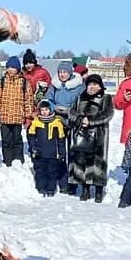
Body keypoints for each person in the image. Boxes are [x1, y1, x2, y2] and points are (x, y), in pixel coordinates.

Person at [67, 73, 114, 202]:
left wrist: (92, 121)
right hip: (82, 135)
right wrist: (80, 119)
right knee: (82, 161)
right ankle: (85, 189)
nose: (92, 87)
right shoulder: (80, 97)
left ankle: (99, 190)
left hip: (99, 136)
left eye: (95, 84)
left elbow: (108, 114)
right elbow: (71, 112)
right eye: (89, 84)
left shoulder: (105, 98)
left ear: (100, 86)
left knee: (98, 163)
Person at [45, 62, 84, 193]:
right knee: (60, 152)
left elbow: (83, 103)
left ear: (70, 73)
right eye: (60, 72)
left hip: (73, 122)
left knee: (74, 152)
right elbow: (47, 100)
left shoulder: (78, 86)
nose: (62, 75)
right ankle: (62, 181)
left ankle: (73, 183)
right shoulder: (54, 85)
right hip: (58, 121)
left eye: (65, 72)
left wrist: (71, 111)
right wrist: (53, 108)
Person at [0, 56, 31, 166]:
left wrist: (27, 115)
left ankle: (18, 160)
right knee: (6, 141)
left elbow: (28, 100)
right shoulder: (2, 82)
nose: (10, 70)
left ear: (18, 69)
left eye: (13, 67)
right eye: (9, 67)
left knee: (17, 140)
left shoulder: (24, 83)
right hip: (4, 117)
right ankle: (7, 161)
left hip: (17, 117)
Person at [27, 100, 66, 196]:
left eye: (46, 110)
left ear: (50, 110)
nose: (44, 112)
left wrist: (62, 153)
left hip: (53, 153)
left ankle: (50, 189)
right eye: (42, 110)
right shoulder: (35, 122)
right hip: (40, 153)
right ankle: (41, 188)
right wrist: (33, 148)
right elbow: (31, 137)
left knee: (51, 172)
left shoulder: (57, 123)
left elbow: (61, 139)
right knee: (40, 171)